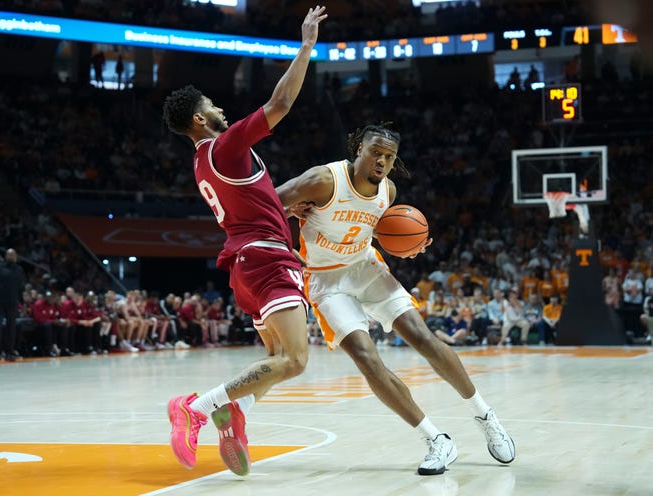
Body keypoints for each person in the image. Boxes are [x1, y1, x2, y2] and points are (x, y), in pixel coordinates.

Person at [276, 124, 515, 475]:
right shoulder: (323, 179)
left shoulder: (388, 190)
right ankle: (437, 441)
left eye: (389, 157)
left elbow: (376, 230)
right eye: (376, 152)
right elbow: (261, 204)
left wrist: (409, 246)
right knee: (366, 357)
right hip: (326, 280)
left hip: (366, 267)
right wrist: (283, 239)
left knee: (423, 338)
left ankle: (485, 415)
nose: (382, 161)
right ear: (359, 148)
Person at [161, 6, 327, 475]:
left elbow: (247, 204)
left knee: (275, 357)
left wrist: (280, 209)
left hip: (244, 265)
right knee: (295, 360)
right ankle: (196, 407)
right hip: (266, 261)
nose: (221, 108)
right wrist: (307, 46)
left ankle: (236, 415)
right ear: (198, 119)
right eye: (212, 105)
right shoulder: (226, 145)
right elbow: (279, 105)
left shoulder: (202, 162)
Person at [0, 248, 26, 362]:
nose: (11, 257)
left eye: (13, 255)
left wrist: (23, 303)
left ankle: (9, 353)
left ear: (16, 257)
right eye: (9, 255)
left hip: (12, 302)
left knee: (11, 328)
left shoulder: (19, 269)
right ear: (6, 256)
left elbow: (21, 288)